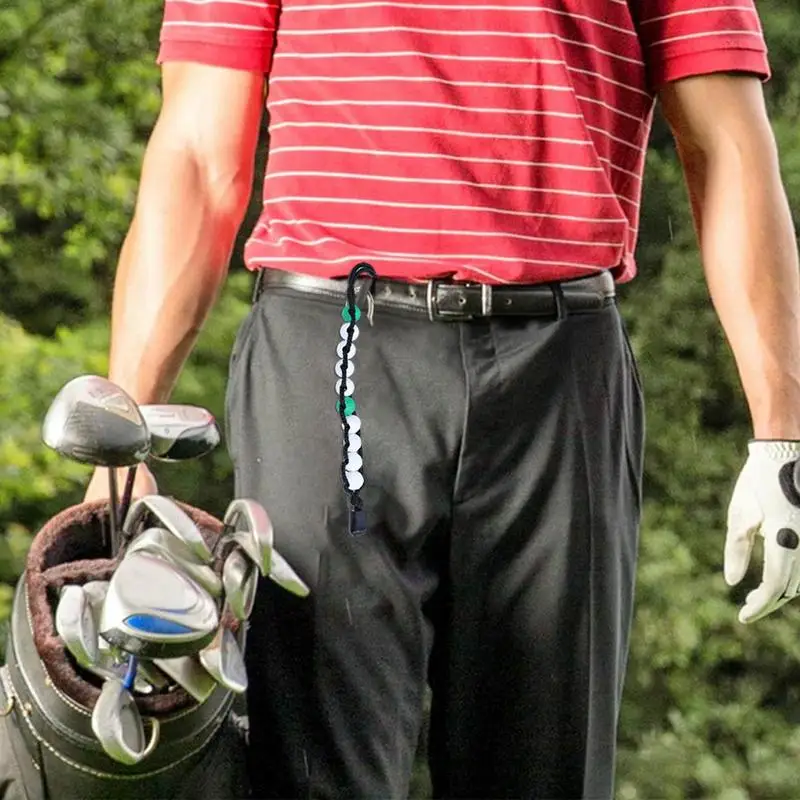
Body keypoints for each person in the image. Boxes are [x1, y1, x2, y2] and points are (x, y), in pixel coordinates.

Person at [83, 1, 800, 797]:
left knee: (547, 773)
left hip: (559, 367)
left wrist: (782, 436)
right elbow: (195, 154)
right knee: (316, 772)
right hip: (332, 354)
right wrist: (125, 434)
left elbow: (728, 145)